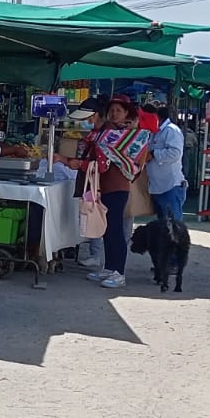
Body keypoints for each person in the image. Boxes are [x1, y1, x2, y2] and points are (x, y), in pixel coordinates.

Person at [72, 95, 137, 289]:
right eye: (112, 111)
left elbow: (102, 163)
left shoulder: (121, 135)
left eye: (119, 111)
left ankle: (119, 272)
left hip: (117, 187)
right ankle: (109, 268)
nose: (114, 114)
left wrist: (76, 163)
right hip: (104, 187)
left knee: (116, 230)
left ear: (126, 113)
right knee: (108, 229)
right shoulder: (103, 133)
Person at [146, 104, 186, 221]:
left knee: (173, 225)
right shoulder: (153, 132)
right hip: (156, 186)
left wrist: (154, 154)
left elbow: (175, 153)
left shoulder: (171, 130)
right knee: (162, 226)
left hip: (170, 186)